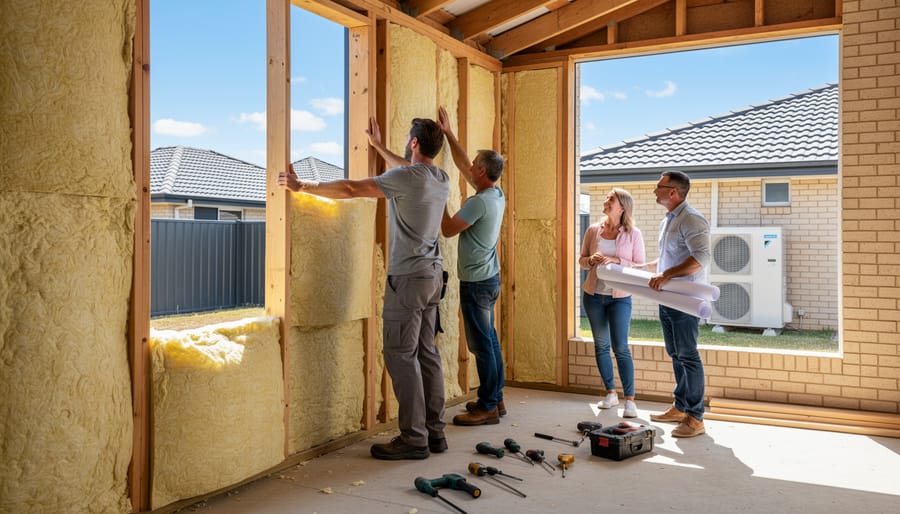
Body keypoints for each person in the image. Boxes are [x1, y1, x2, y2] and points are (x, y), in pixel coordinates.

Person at [278, 116, 450, 459]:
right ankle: (434, 433)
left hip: (408, 278)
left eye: (407, 139)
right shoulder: (439, 177)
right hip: (433, 278)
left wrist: (303, 187)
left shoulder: (405, 177)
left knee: (401, 356)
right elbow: (404, 169)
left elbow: (353, 188)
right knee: (427, 353)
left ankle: (414, 439)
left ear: (414, 143)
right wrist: (377, 146)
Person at [435, 106, 507, 426]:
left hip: (477, 284)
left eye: (475, 166)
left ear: (482, 172)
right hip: (489, 279)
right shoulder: (495, 193)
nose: (471, 167)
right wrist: (449, 133)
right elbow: (465, 164)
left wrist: (437, 197)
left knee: (481, 346)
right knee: (490, 340)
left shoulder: (478, 202)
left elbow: (449, 229)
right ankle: (497, 398)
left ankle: (488, 404)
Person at [645, 170, 711, 438]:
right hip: (667, 297)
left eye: (659, 186)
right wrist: (639, 268)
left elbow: (702, 258)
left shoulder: (691, 219)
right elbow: (665, 260)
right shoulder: (669, 220)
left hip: (685, 299)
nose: (655, 190)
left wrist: (668, 275)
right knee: (675, 353)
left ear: (673, 192)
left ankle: (695, 417)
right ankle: (681, 407)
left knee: (688, 354)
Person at [578, 188, 645, 419]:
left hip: (620, 298)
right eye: (607, 198)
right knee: (601, 345)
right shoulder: (593, 230)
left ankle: (630, 400)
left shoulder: (633, 234)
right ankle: (610, 393)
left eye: (611, 199)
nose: (606, 201)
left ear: (622, 207)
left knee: (621, 347)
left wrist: (616, 259)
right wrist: (591, 260)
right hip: (593, 295)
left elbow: (639, 265)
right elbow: (582, 261)